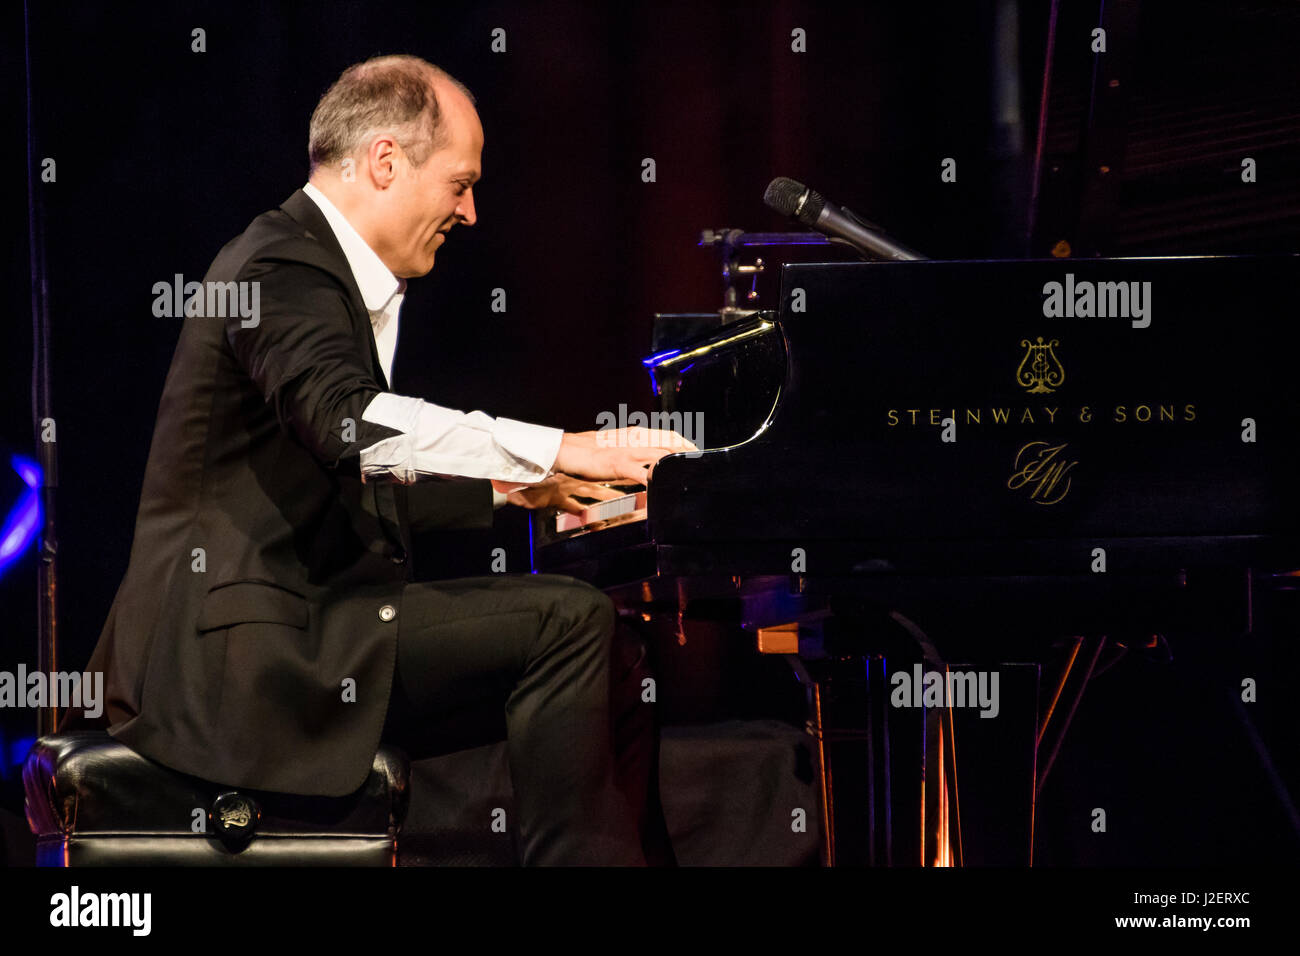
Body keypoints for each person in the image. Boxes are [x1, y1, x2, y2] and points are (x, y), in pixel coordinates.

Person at [74, 53, 691, 865]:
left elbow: (347, 479)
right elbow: (349, 429)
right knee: (569, 620)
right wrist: (559, 447)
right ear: (387, 160)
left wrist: (528, 489)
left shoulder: (321, 273)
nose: (470, 213)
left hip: (305, 638)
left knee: (616, 655)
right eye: (460, 184)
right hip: (236, 663)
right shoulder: (278, 265)